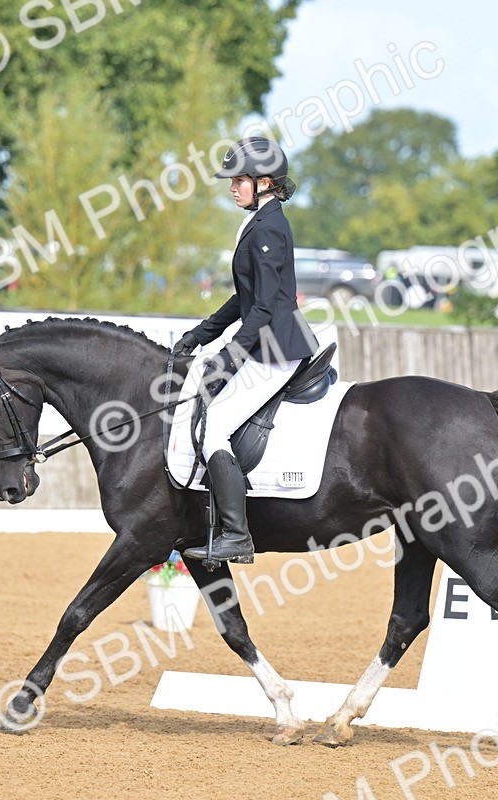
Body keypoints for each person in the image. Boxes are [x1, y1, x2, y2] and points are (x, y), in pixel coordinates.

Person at [172, 137, 318, 563]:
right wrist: (202, 333)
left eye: (239, 180)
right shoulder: (259, 220)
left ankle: (237, 535)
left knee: (214, 426)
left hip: (276, 349)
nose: (232, 188)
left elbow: (266, 305)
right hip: (263, 342)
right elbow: (244, 297)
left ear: (265, 182)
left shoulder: (270, 226)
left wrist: (232, 355)